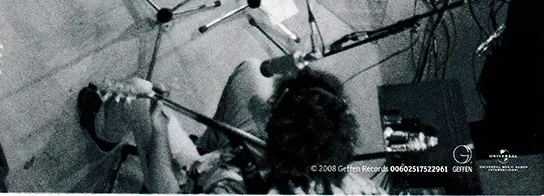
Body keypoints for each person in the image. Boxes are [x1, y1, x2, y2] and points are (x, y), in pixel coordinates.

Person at [77, 60, 386, 194]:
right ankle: (207, 147)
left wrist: (158, 128)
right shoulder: (359, 188)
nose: (266, 107)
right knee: (252, 71)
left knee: (139, 94)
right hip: (242, 164)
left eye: (272, 111)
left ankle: (102, 130)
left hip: (203, 181)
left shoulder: (232, 187)